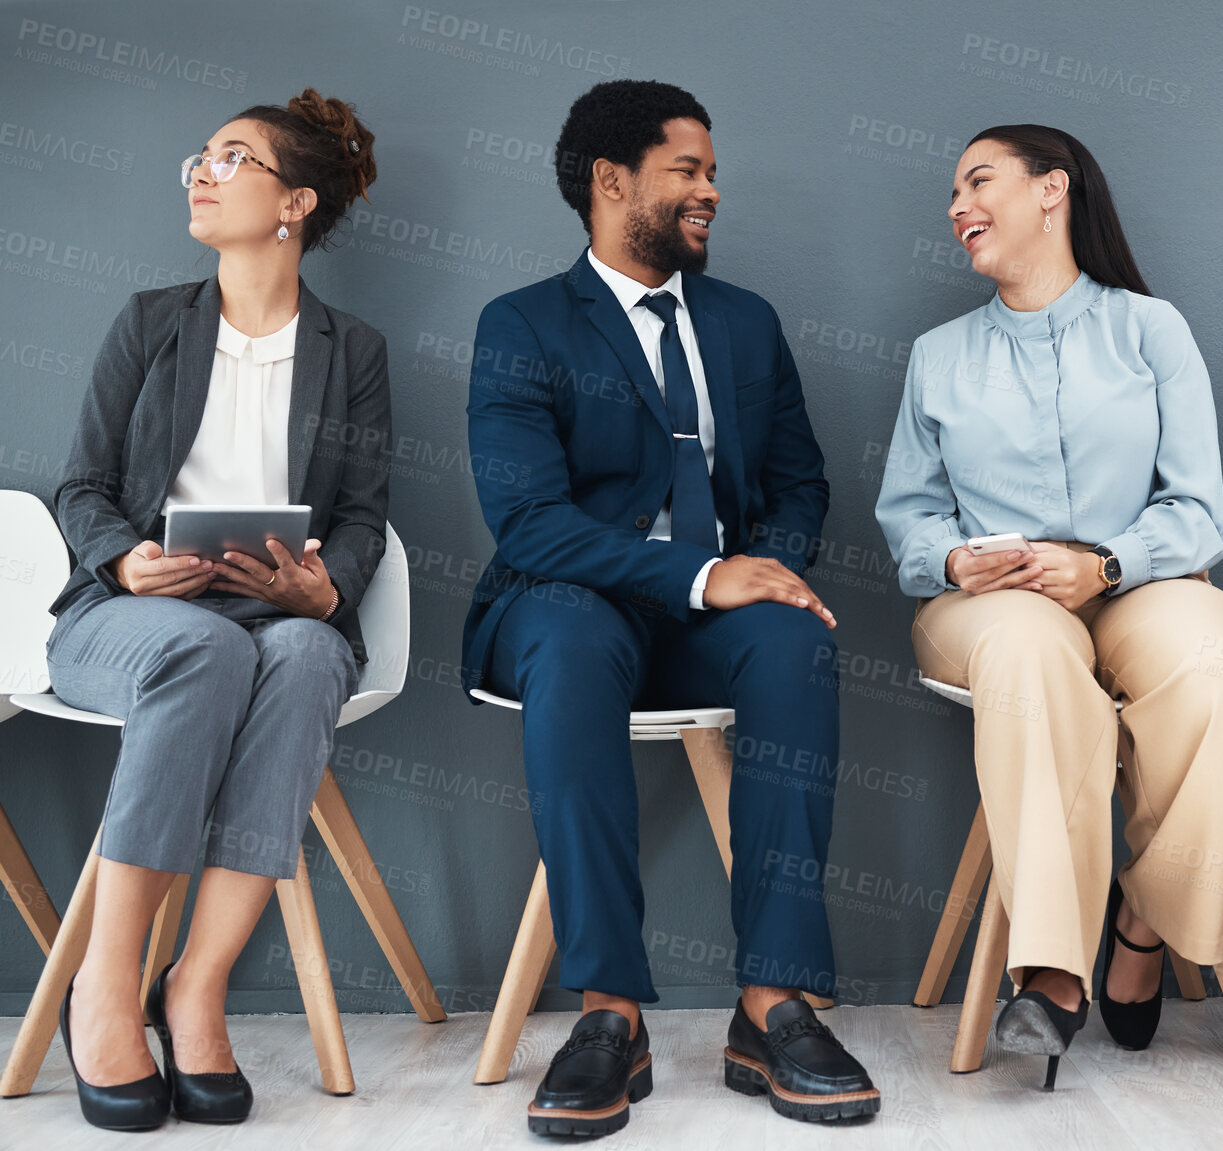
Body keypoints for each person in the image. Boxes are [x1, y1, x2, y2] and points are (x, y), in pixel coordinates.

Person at [461, 79, 879, 1138]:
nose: (711, 191)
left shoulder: (742, 322)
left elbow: (797, 483)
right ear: (613, 181)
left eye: (710, 171)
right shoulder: (521, 323)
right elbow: (528, 523)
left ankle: (771, 1000)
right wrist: (699, 577)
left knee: (792, 642)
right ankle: (607, 1013)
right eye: (687, 170)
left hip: (712, 622)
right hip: (566, 601)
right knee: (567, 638)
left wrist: (769, 568)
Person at [875, 124, 1223, 1090]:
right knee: (1029, 652)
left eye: (977, 181)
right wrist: (954, 558)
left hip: (1135, 585)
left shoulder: (1151, 329)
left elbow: (1200, 510)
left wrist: (1108, 564)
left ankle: (1141, 919)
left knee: (1222, 668)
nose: (956, 207)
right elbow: (908, 521)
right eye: (952, 193)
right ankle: (1055, 967)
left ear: (1052, 190)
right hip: (988, 607)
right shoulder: (940, 354)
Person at [45, 89, 387, 1130]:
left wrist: (326, 590)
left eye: (231, 157)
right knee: (202, 649)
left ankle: (195, 984)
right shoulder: (152, 322)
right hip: (132, 618)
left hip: (270, 616)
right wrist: (126, 559)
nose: (201, 169)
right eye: (200, 155)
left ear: (294, 201)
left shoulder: (351, 349)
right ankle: (105, 987)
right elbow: (82, 488)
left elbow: (367, 518)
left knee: (310, 656)